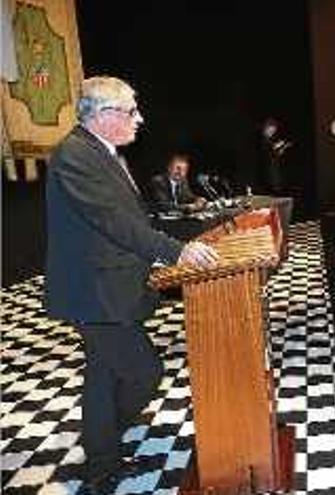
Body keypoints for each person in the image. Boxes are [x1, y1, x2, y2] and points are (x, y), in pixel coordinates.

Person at [45, 76, 219, 494]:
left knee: (104, 376)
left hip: (106, 290)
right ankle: (100, 445)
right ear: (103, 115)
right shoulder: (75, 156)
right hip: (93, 294)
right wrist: (175, 252)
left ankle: (101, 462)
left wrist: (173, 242)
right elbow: (114, 222)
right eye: (131, 112)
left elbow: (135, 220)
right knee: (143, 373)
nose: (139, 119)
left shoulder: (101, 153)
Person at [261, 117, 292, 194]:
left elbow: (274, 154)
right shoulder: (262, 140)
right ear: (266, 128)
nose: (272, 133)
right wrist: (277, 146)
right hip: (266, 171)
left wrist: (281, 148)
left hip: (273, 169)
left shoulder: (270, 140)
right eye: (271, 131)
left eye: (274, 131)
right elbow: (267, 152)